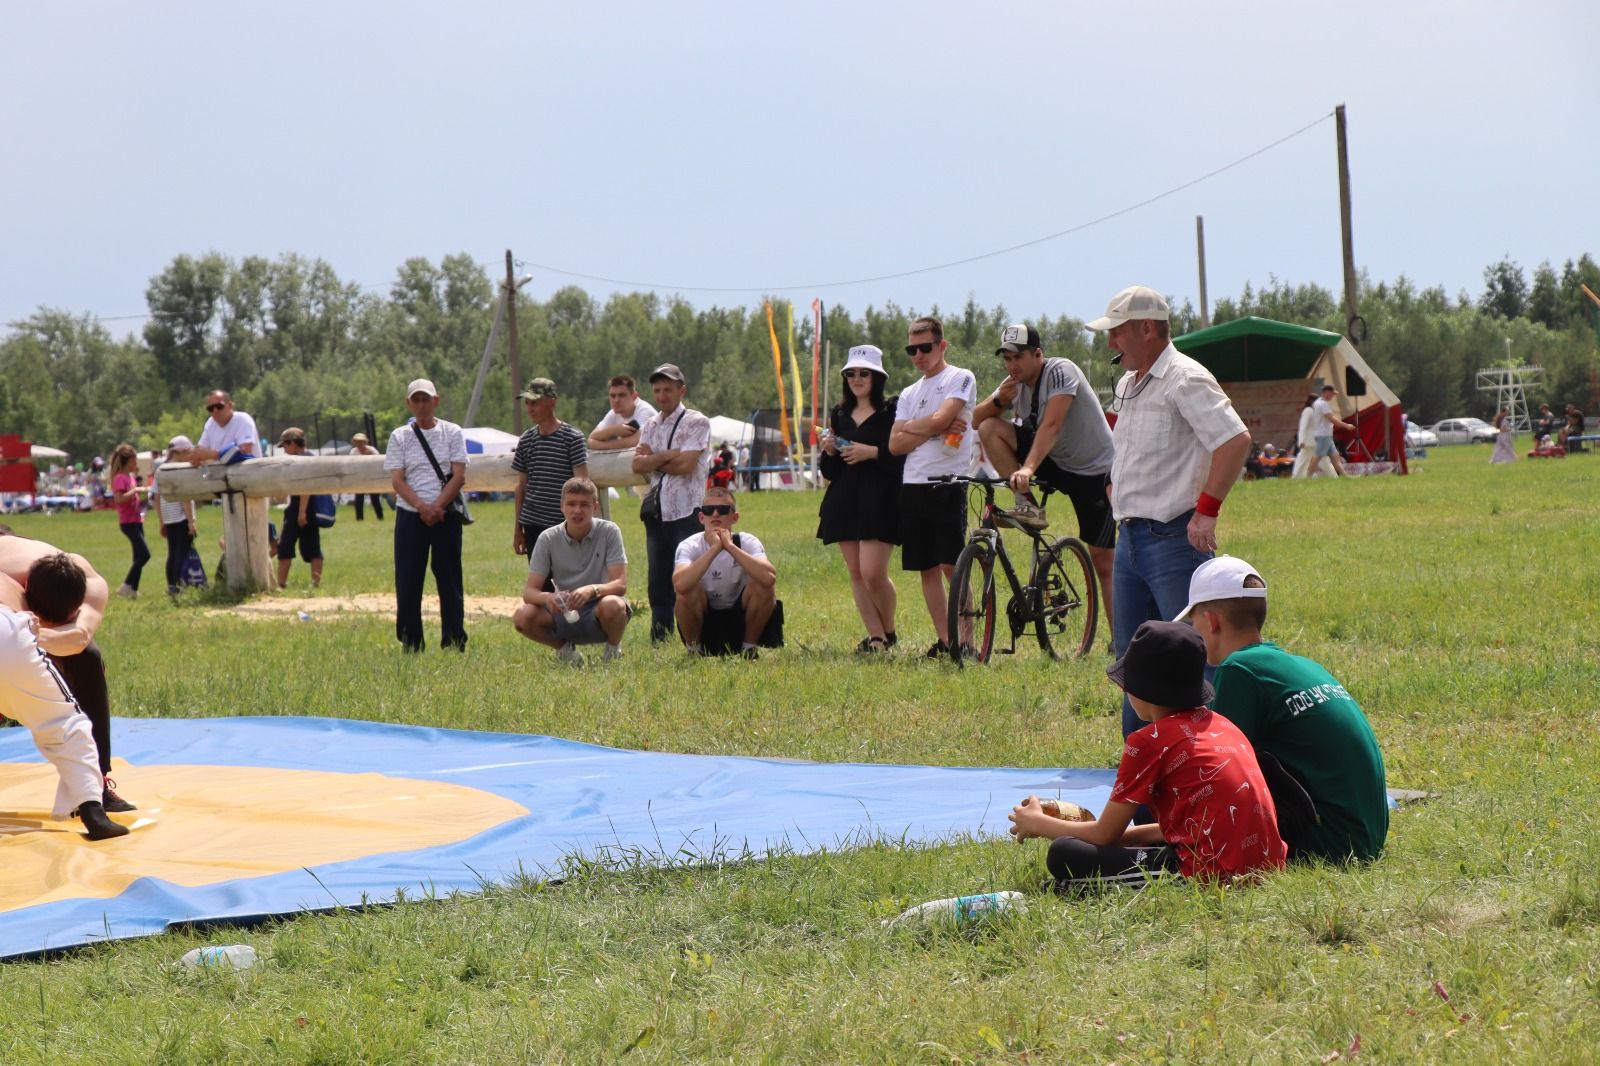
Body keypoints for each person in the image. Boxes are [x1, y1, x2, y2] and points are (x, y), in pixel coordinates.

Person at [1085, 285, 1251, 739]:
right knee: (1132, 662)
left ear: (1147, 328)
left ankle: (1206, 760)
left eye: (1117, 332)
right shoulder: (1128, 384)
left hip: (1175, 539)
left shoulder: (1185, 377)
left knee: (1193, 657)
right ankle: (1142, 769)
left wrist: (1207, 512)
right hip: (1133, 538)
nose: (1110, 343)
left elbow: (1234, 441)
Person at [1009, 620, 1286, 888]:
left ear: (1144, 690)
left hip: (1209, 872)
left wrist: (1037, 822)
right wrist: (1127, 836)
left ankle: (1072, 885)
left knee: (1064, 853)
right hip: (1266, 862)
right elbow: (1193, 823)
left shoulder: (1148, 741)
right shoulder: (1223, 725)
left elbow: (1103, 835)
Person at [1174, 555, 1388, 863]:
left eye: (1193, 621)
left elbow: (1216, 776)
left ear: (1212, 621)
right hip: (1365, 838)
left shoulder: (1239, 669)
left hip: (1330, 845)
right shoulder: (1300, 664)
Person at [972, 323, 1117, 630]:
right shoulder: (1014, 382)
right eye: (1007, 358)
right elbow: (975, 421)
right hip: (1053, 459)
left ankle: (1121, 639)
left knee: (1104, 560)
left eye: (1019, 357)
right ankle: (1027, 506)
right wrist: (998, 400)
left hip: (1092, 469)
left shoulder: (1061, 372)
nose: (1012, 365)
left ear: (1038, 354)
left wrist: (1027, 468)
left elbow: (1051, 426)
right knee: (990, 428)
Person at [0, 531, 136, 812]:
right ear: (26, 590)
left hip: (23, 629)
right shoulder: (10, 580)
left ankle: (97, 781)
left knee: (88, 658)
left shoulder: (89, 581)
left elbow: (80, 637)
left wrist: (35, 637)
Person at [888, 315, 978, 659]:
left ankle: (967, 639)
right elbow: (894, 445)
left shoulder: (960, 377)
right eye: (912, 349)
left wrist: (916, 428)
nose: (918, 355)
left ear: (942, 346)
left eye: (925, 347)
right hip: (913, 484)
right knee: (925, 567)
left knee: (951, 565)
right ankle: (946, 640)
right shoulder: (910, 392)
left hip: (948, 482)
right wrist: (930, 427)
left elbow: (945, 420)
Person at [817, 345, 904, 653]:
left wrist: (872, 452)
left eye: (864, 373)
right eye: (850, 373)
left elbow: (901, 457)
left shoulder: (892, 410)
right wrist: (828, 450)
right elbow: (830, 469)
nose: (856, 378)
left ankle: (889, 630)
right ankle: (876, 637)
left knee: (873, 572)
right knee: (856, 573)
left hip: (881, 499)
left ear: (877, 377)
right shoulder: (839, 414)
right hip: (844, 498)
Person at [385, 379, 469, 653]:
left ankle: (454, 640)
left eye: (426, 399)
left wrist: (438, 507)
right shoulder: (399, 436)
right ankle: (411, 641)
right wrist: (423, 507)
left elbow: (459, 475)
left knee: (450, 579)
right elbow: (397, 481)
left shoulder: (452, 432)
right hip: (411, 514)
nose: (422, 405)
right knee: (408, 580)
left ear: (436, 400)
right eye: (416, 400)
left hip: (446, 515)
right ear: (409, 403)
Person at [632, 363, 712, 643]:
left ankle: (696, 635)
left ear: (682, 390)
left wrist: (655, 459)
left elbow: (687, 465)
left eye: (668, 389)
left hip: (688, 510)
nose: (662, 395)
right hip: (657, 512)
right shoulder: (651, 424)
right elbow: (637, 464)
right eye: (657, 390)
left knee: (689, 579)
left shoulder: (697, 421)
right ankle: (660, 638)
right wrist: (668, 456)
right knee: (658, 583)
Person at [512, 477, 630, 665]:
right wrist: (549, 598)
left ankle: (613, 651)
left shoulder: (610, 531)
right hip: (564, 611)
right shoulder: (547, 538)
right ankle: (565, 652)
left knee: (614, 604)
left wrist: (592, 590)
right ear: (562, 506)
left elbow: (620, 584)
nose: (577, 510)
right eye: (571, 504)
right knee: (522, 616)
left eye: (584, 504)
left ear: (595, 506)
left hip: (599, 607)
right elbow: (529, 592)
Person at [673, 486, 777, 659]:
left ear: (734, 517)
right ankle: (695, 653)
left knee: (763, 587)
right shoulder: (689, 545)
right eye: (708, 510)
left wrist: (729, 546)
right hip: (705, 620)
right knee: (686, 593)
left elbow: (769, 578)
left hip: (740, 619)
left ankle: (749, 650)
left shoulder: (747, 541)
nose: (715, 515)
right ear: (701, 517)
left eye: (722, 510)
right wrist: (714, 549)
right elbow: (680, 585)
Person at [511, 378, 590, 558]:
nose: (530, 409)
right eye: (527, 403)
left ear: (552, 402)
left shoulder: (572, 438)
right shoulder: (526, 440)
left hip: (563, 524)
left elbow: (582, 484)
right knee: (540, 582)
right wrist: (518, 528)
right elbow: (521, 487)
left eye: (535, 403)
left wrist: (581, 523)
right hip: (532, 524)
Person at [274, 428, 326, 589]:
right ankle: (288, 583)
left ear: (294, 443)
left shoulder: (305, 460)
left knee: (293, 546)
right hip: (297, 507)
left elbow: (306, 488)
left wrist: (302, 512)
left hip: (304, 508)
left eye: (285, 445)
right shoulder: (299, 459)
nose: (284, 450)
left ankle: (284, 583)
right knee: (304, 546)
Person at [152, 435, 199, 594]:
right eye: (187, 451)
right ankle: (179, 585)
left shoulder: (161, 470)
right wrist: (191, 522)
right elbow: (184, 497)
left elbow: (156, 497)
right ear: (179, 451)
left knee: (172, 553)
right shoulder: (180, 469)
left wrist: (161, 521)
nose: (189, 454)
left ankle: (172, 585)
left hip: (168, 518)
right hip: (181, 518)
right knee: (181, 552)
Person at [107, 443, 150, 598]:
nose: (136, 463)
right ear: (128, 460)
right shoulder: (120, 479)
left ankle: (133, 589)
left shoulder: (130, 478)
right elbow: (119, 499)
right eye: (134, 460)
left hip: (137, 520)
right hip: (128, 523)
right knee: (145, 555)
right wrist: (136, 490)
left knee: (137, 555)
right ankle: (126, 586)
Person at [587, 375, 658, 452]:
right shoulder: (613, 413)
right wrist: (613, 430)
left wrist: (605, 445)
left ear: (634, 396)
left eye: (622, 395)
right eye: (613, 396)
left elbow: (638, 440)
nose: (616, 400)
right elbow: (591, 440)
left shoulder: (645, 410)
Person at [188, 390, 259, 464]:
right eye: (211, 408)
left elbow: (245, 452)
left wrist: (214, 455)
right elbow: (200, 450)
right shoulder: (210, 423)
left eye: (219, 406)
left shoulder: (243, 420)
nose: (215, 410)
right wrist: (196, 457)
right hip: (222, 474)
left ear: (230, 405)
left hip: (249, 473)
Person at [1311, 384, 1354, 476]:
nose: (1333, 396)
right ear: (1326, 392)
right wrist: (1346, 426)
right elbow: (1331, 418)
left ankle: (1344, 475)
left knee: (1335, 456)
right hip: (1323, 435)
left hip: (1326, 435)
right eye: (1332, 393)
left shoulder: (1318, 403)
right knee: (1317, 457)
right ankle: (1307, 476)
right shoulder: (1323, 404)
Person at [1291, 394, 1335, 478]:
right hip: (1308, 442)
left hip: (1316, 442)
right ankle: (1297, 477)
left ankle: (1297, 477)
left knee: (1321, 461)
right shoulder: (1308, 410)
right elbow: (1303, 426)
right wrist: (1301, 441)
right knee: (1304, 460)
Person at [349, 433, 385, 521]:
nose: (359, 444)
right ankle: (359, 518)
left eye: (361, 442)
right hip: (359, 478)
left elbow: (378, 461)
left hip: (371, 477)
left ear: (365, 442)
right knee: (359, 499)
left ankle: (380, 517)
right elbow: (352, 463)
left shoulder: (372, 450)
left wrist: (370, 455)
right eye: (357, 442)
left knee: (375, 499)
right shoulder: (353, 452)